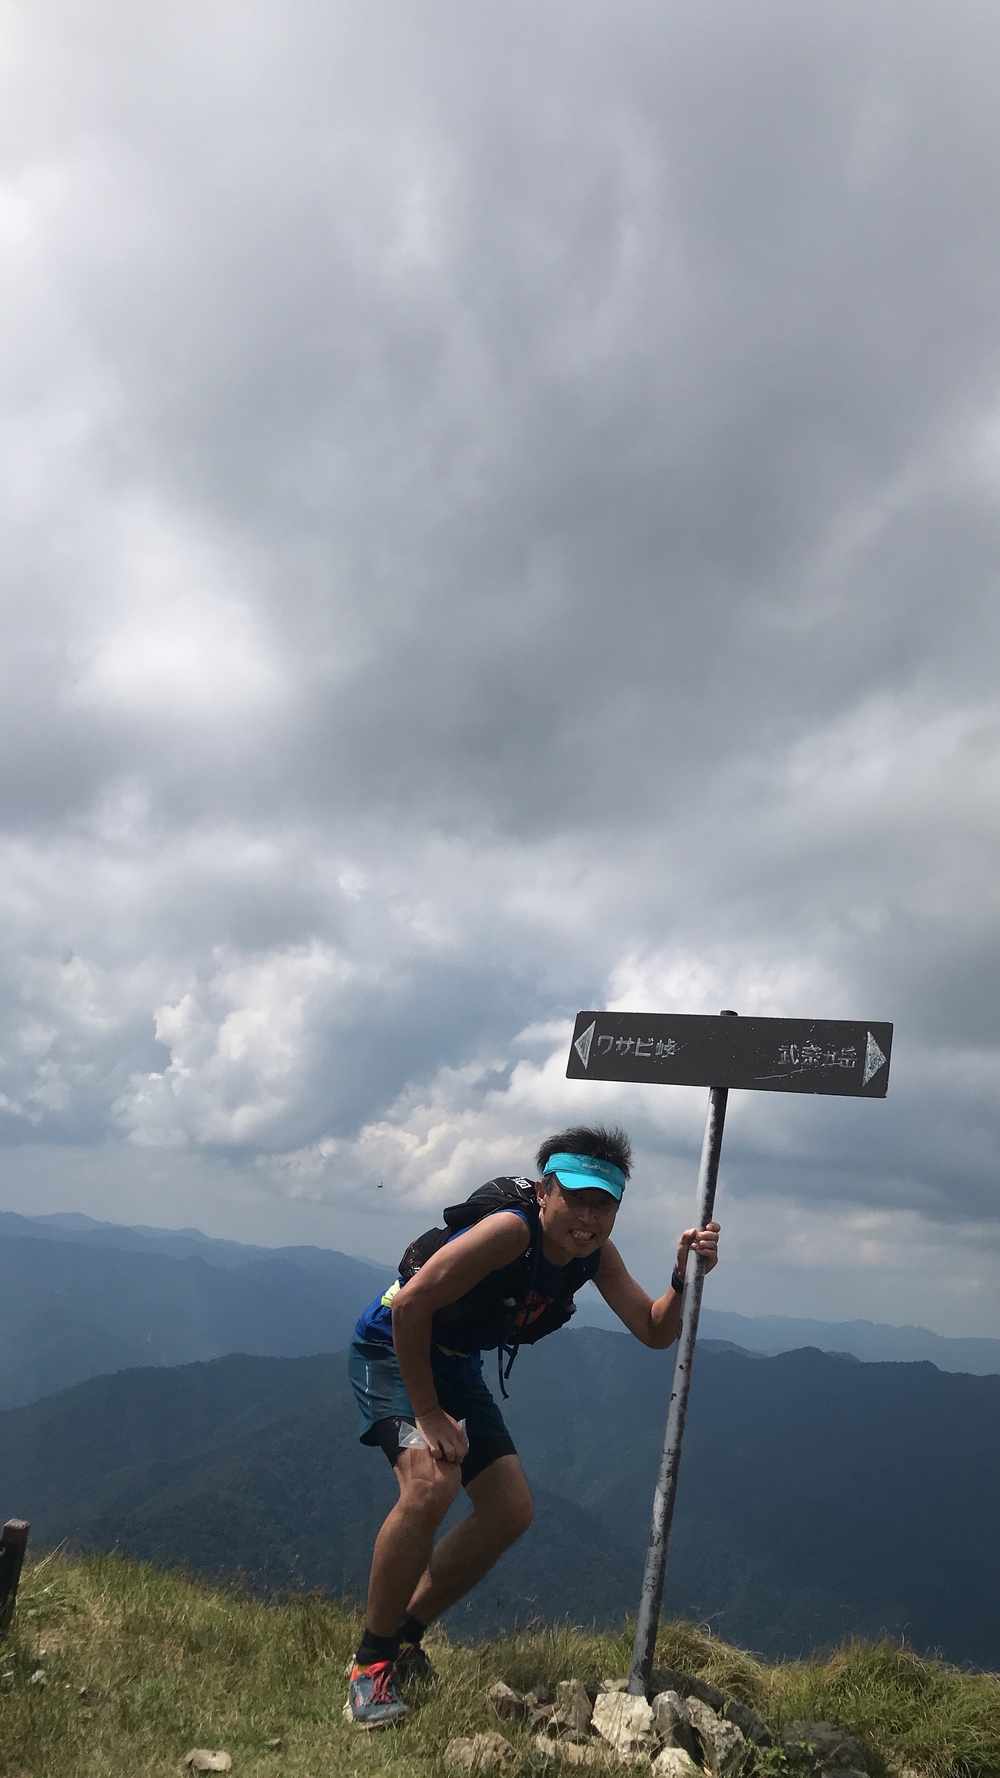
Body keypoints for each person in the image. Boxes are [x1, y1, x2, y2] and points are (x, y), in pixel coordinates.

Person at [346, 1123, 721, 1727]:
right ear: (545, 1191)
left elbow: (654, 1330)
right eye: (576, 1196)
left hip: (456, 1366)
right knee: (429, 1486)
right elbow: (411, 1304)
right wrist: (428, 1413)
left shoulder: (592, 1255)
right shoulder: (509, 1232)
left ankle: (405, 1635)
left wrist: (683, 1277)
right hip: (393, 1349)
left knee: (510, 1510)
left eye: (605, 1203)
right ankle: (370, 1666)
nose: (589, 1216)